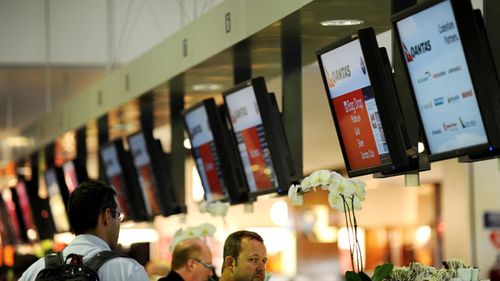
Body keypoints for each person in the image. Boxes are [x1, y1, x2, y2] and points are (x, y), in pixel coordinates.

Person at [19, 180, 149, 281]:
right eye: (118, 215)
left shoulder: (34, 272)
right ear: (106, 216)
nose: (119, 223)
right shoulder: (127, 271)